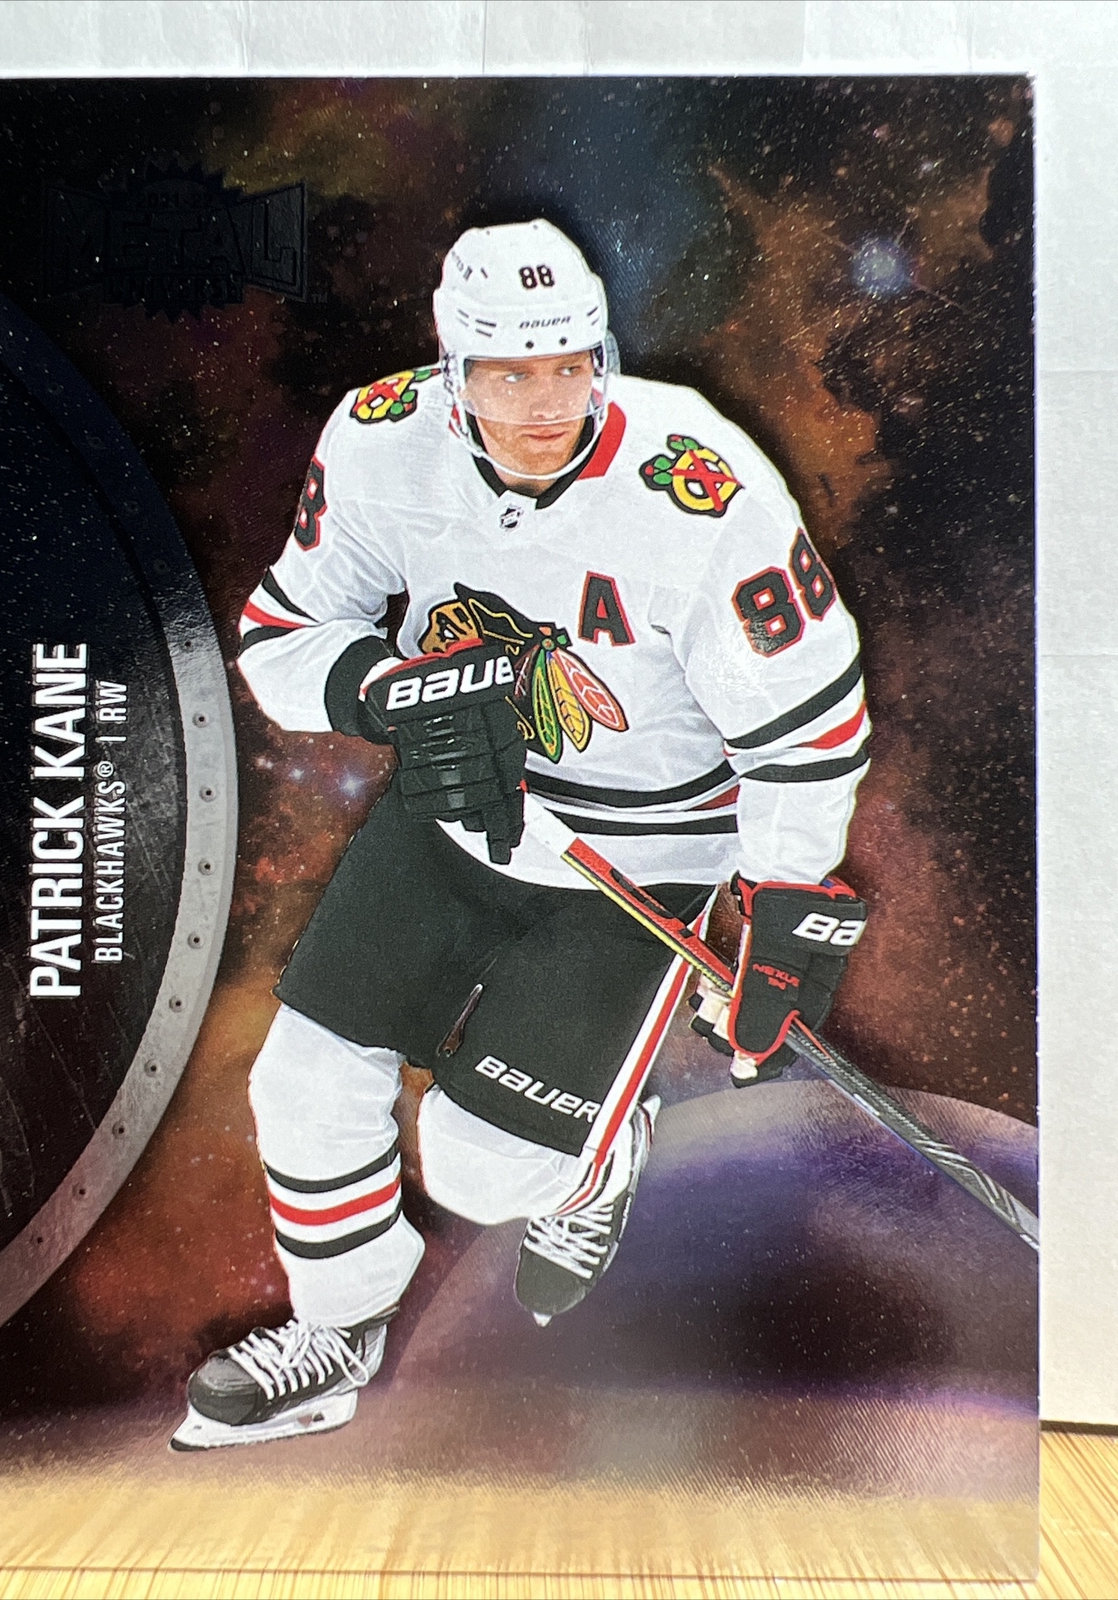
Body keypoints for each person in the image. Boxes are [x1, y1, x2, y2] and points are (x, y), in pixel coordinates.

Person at [171, 219, 870, 1451]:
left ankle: (599, 1160)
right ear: (452, 371)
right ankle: (336, 1332)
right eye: (506, 373)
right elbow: (281, 637)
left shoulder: (701, 487)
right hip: (457, 802)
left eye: (569, 365)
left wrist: (779, 904)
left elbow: (810, 724)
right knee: (302, 1082)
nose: (545, 403)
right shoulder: (380, 437)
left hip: (642, 859)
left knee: (477, 1167)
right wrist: (388, 693)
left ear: (603, 353)